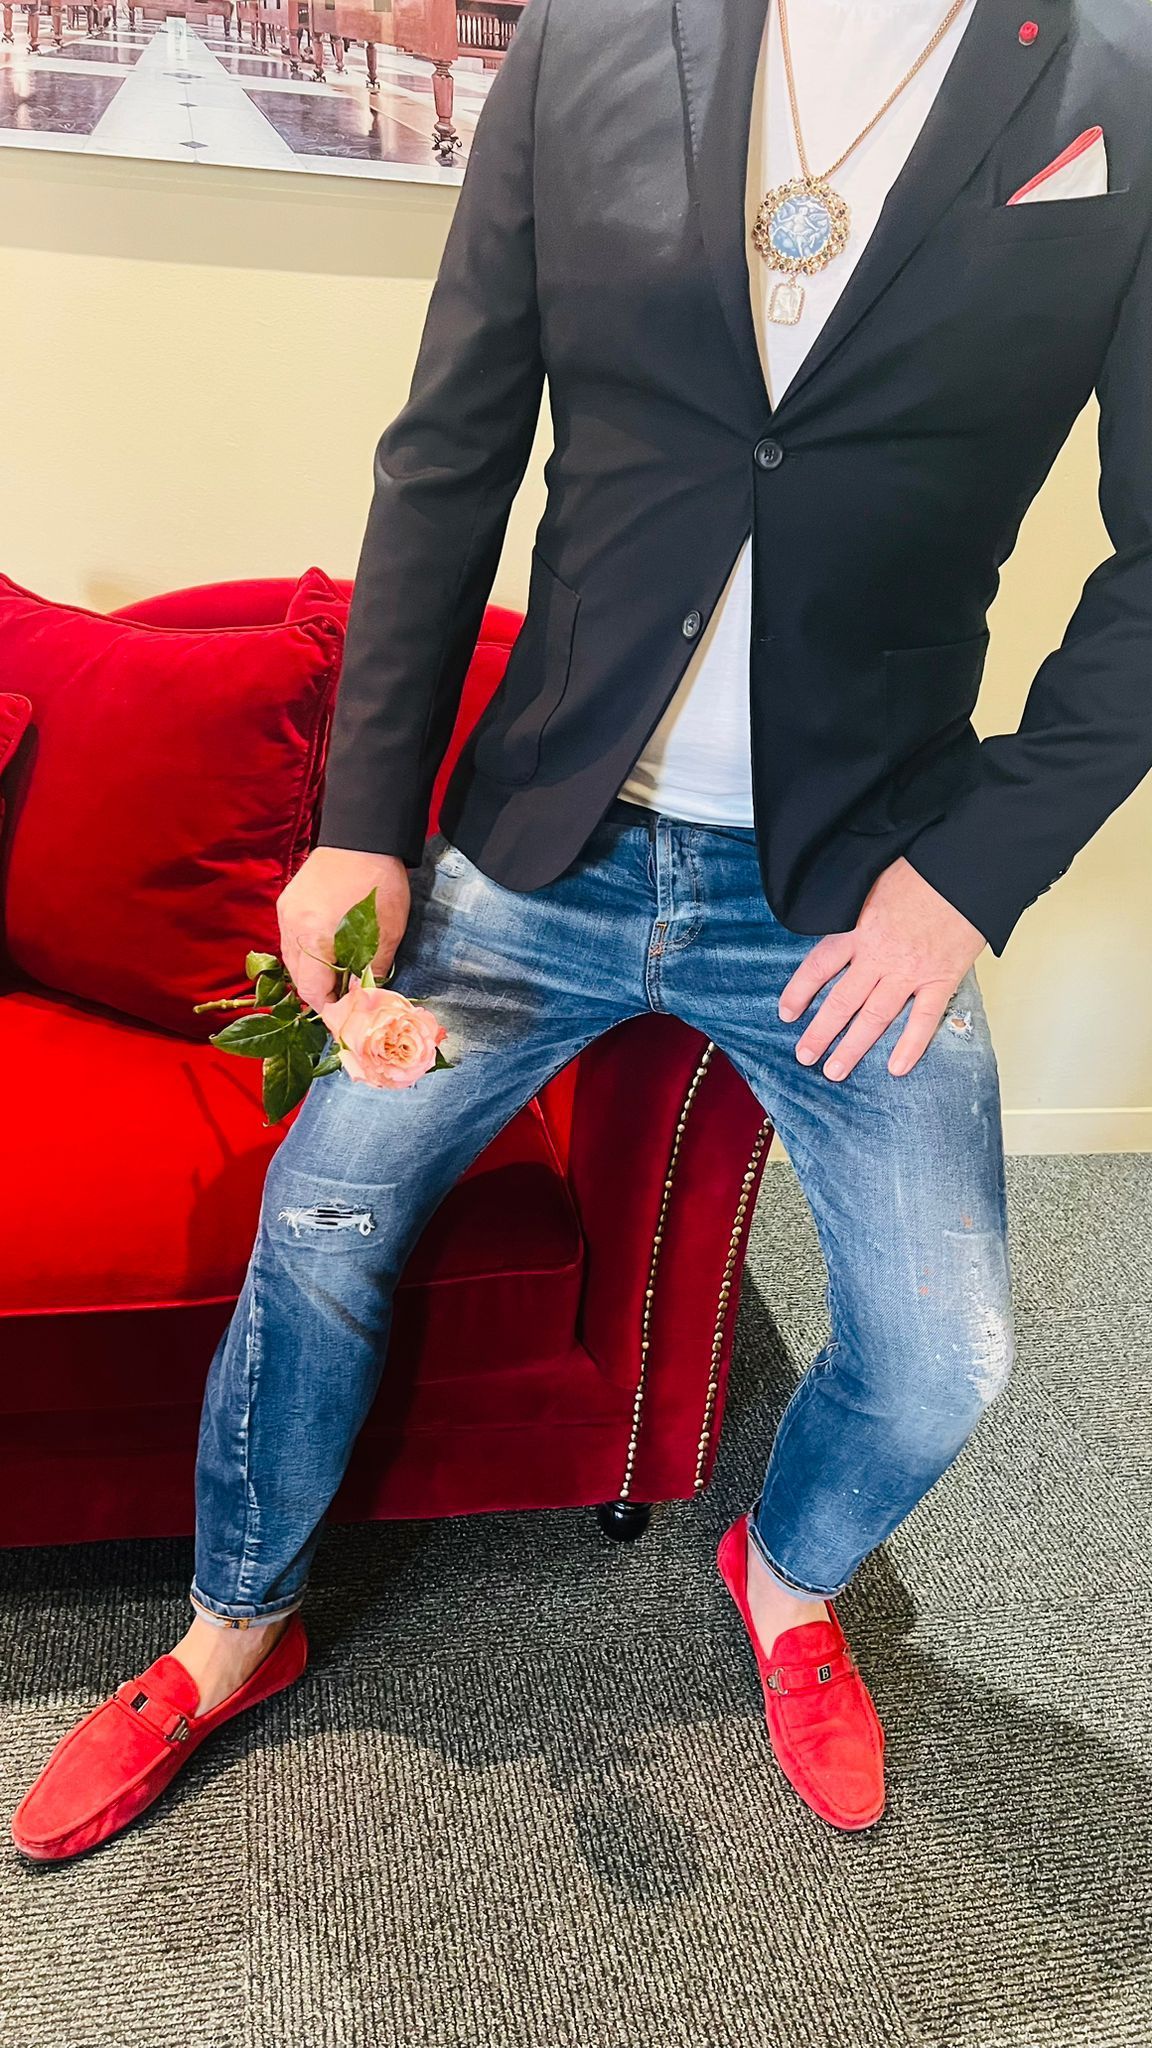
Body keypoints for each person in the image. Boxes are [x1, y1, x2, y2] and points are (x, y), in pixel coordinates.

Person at [13, 0, 1152, 1859]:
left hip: (852, 889)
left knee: (949, 1348)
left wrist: (969, 879)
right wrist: (362, 821)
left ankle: (786, 1574)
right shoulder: (596, 37)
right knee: (321, 1212)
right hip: (540, 849)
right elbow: (449, 450)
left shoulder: (1121, 81)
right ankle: (235, 1626)